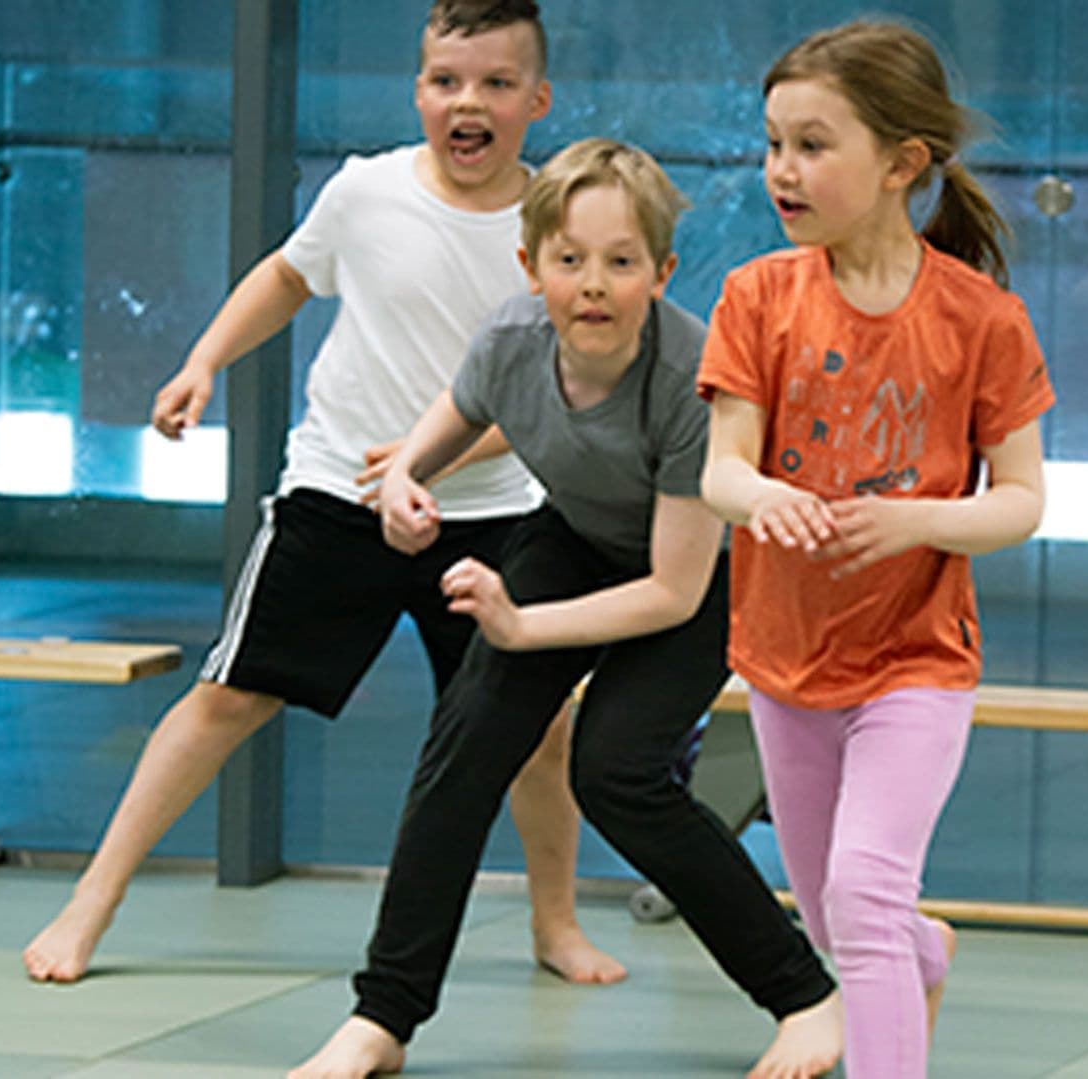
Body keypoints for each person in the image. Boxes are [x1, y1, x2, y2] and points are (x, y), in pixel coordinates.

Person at [23, 0, 625, 989]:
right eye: (446, 82)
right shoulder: (366, 191)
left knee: (539, 731)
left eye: (496, 84)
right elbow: (287, 276)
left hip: (496, 510)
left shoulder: (558, 223)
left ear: (538, 99)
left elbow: (562, 382)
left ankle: (554, 923)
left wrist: (433, 460)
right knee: (228, 697)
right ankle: (91, 901)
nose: (468, 102)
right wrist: (203, 361)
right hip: (339, 494)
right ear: (418, 91)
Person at [290, 138, 842, 1079]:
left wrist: (519, 626)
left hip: (702, 578)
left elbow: (671, 590)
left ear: (661, 272)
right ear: (531, 265)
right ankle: (383, 1017)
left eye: (621, 262)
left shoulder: (690, 381)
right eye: (570, 259)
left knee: (617, 771)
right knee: (465, 746)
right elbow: (460, 408)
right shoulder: (511, 338)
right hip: (577, 537)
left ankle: (806, 997)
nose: (593, 284)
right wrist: (409, 478)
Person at [698, 21, 1055, 1078]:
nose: (782, 170)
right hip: (786, 659)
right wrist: (766, 497)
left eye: (813, 146)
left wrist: (919, 519)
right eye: (774, 144)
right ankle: (920, 953)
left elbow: (1022, 500)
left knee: (861, 893)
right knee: (840, 913)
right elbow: (721, 472)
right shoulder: (757, 296)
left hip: (916, 663)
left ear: (903, 163)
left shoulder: (982, 319)